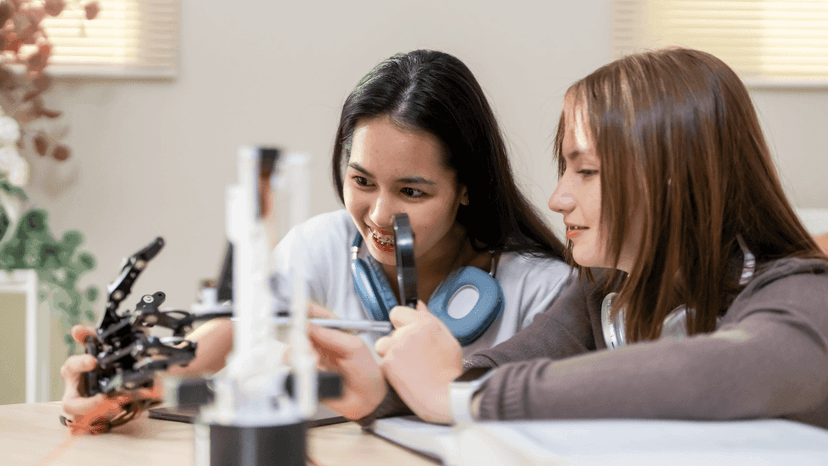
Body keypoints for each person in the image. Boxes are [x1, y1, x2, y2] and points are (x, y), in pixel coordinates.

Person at [309, 47, 828, 428]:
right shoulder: (602, 293)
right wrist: (384, 389)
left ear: (668, 179)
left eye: (586, 172)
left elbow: (714, 372)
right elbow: (496, 368)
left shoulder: (803, 296)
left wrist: (459, 398)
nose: (558, 199)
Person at [60, 50, 572, 428]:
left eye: (412, 192)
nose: (377, 215)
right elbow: (215, 339)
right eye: (362, 181)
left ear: (466, 188)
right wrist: (120, 385)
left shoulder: (542, 289)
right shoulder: (320, 245)